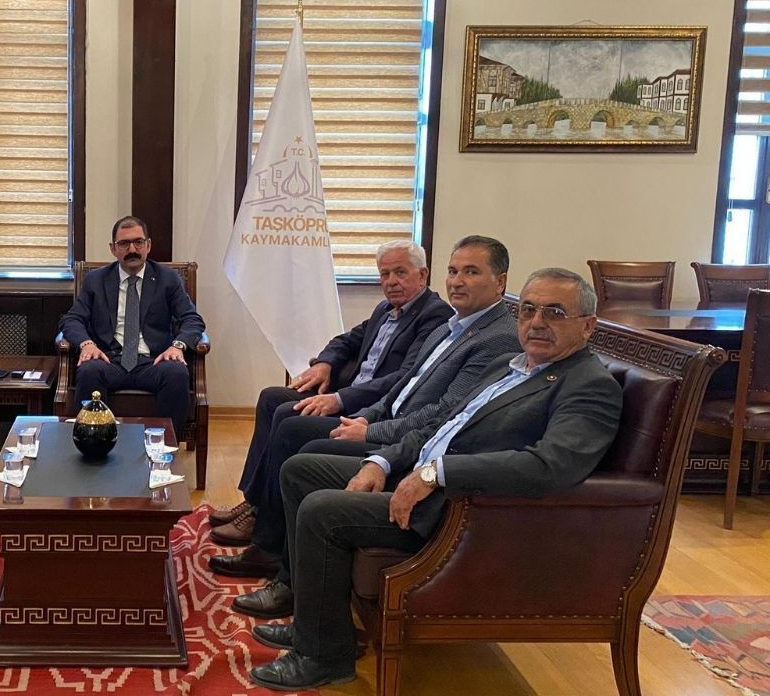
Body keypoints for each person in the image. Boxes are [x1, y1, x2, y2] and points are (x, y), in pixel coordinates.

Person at [243, 268, 624, 691]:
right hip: (419, 473)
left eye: (554, 312)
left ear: (588, 325)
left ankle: (323, 656)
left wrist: (436, 473)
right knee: (301, 470)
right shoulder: (509, 365)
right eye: (529, 310)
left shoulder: (590, 386)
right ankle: (311, 620)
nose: (537, 322)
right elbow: (441, 424)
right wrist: (382, 462)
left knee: (322, 510)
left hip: (459, 509)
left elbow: (548, 466)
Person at [210, 236, 521, 578]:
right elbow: (395, 377)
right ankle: (258, 507)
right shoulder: (438, 323)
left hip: (401, 434)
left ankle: (268, 541)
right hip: (377, 412)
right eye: (453, 271)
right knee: (277, 400)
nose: (457, 281)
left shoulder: (455, 324)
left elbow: (440, 409)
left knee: (292, 426)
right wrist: (329, 368)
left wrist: (364, 422)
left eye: (471, 272)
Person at [211, 240, 452, 546]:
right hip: (348, 392)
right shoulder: (385, 309)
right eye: (384, 274)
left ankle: (264, 525)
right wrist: (325, 363)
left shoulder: (434, 316)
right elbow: (346, 340)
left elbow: (404, 378)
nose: (391, 281)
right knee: (272, 398)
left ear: (423, 274)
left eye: (400, 272)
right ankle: (255, 500)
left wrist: (339, 399)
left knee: (288, 416)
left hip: (372, 410)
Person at [58, 216, 205, 435]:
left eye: (138, 242)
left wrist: (178, 346)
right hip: (109, 360)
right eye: (124, 243)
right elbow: (72, 319)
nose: (132, 249)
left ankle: (165, 446)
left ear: (148, 245)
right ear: (113, 248)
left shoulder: (168, 279)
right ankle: (95, 442)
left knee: (176, 373)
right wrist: (87, 344)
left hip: (153, 361)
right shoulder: (96, 280)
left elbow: (192, 319)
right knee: (89, 370)